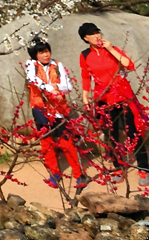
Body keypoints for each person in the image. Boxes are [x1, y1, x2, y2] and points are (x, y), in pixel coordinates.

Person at [78, 22, 149, 187]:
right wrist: (85, 97)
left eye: (98, 32)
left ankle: (144, 167)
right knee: (111, 135)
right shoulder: (85, 55)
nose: (97, 36)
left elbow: (129, 65)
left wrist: (111, 49)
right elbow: (85, 76)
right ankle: (118, 167)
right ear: (85, 38)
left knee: (133, 131)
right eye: (92, 34)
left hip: (123, 96)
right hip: (103, 98)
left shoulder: (113, 49)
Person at [25, 39, 88, 191]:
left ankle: (79, 174)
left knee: (66, 141)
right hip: (40, 107)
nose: (46, 55)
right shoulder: (31, 65)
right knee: (46, 142)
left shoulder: (57, 65)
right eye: (41, 52)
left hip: (58, 108)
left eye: (47, 51)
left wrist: (57, 87)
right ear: (35, 54)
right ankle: (54, 173)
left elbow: (67, 86)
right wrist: (49, 88)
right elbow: (32, 79)